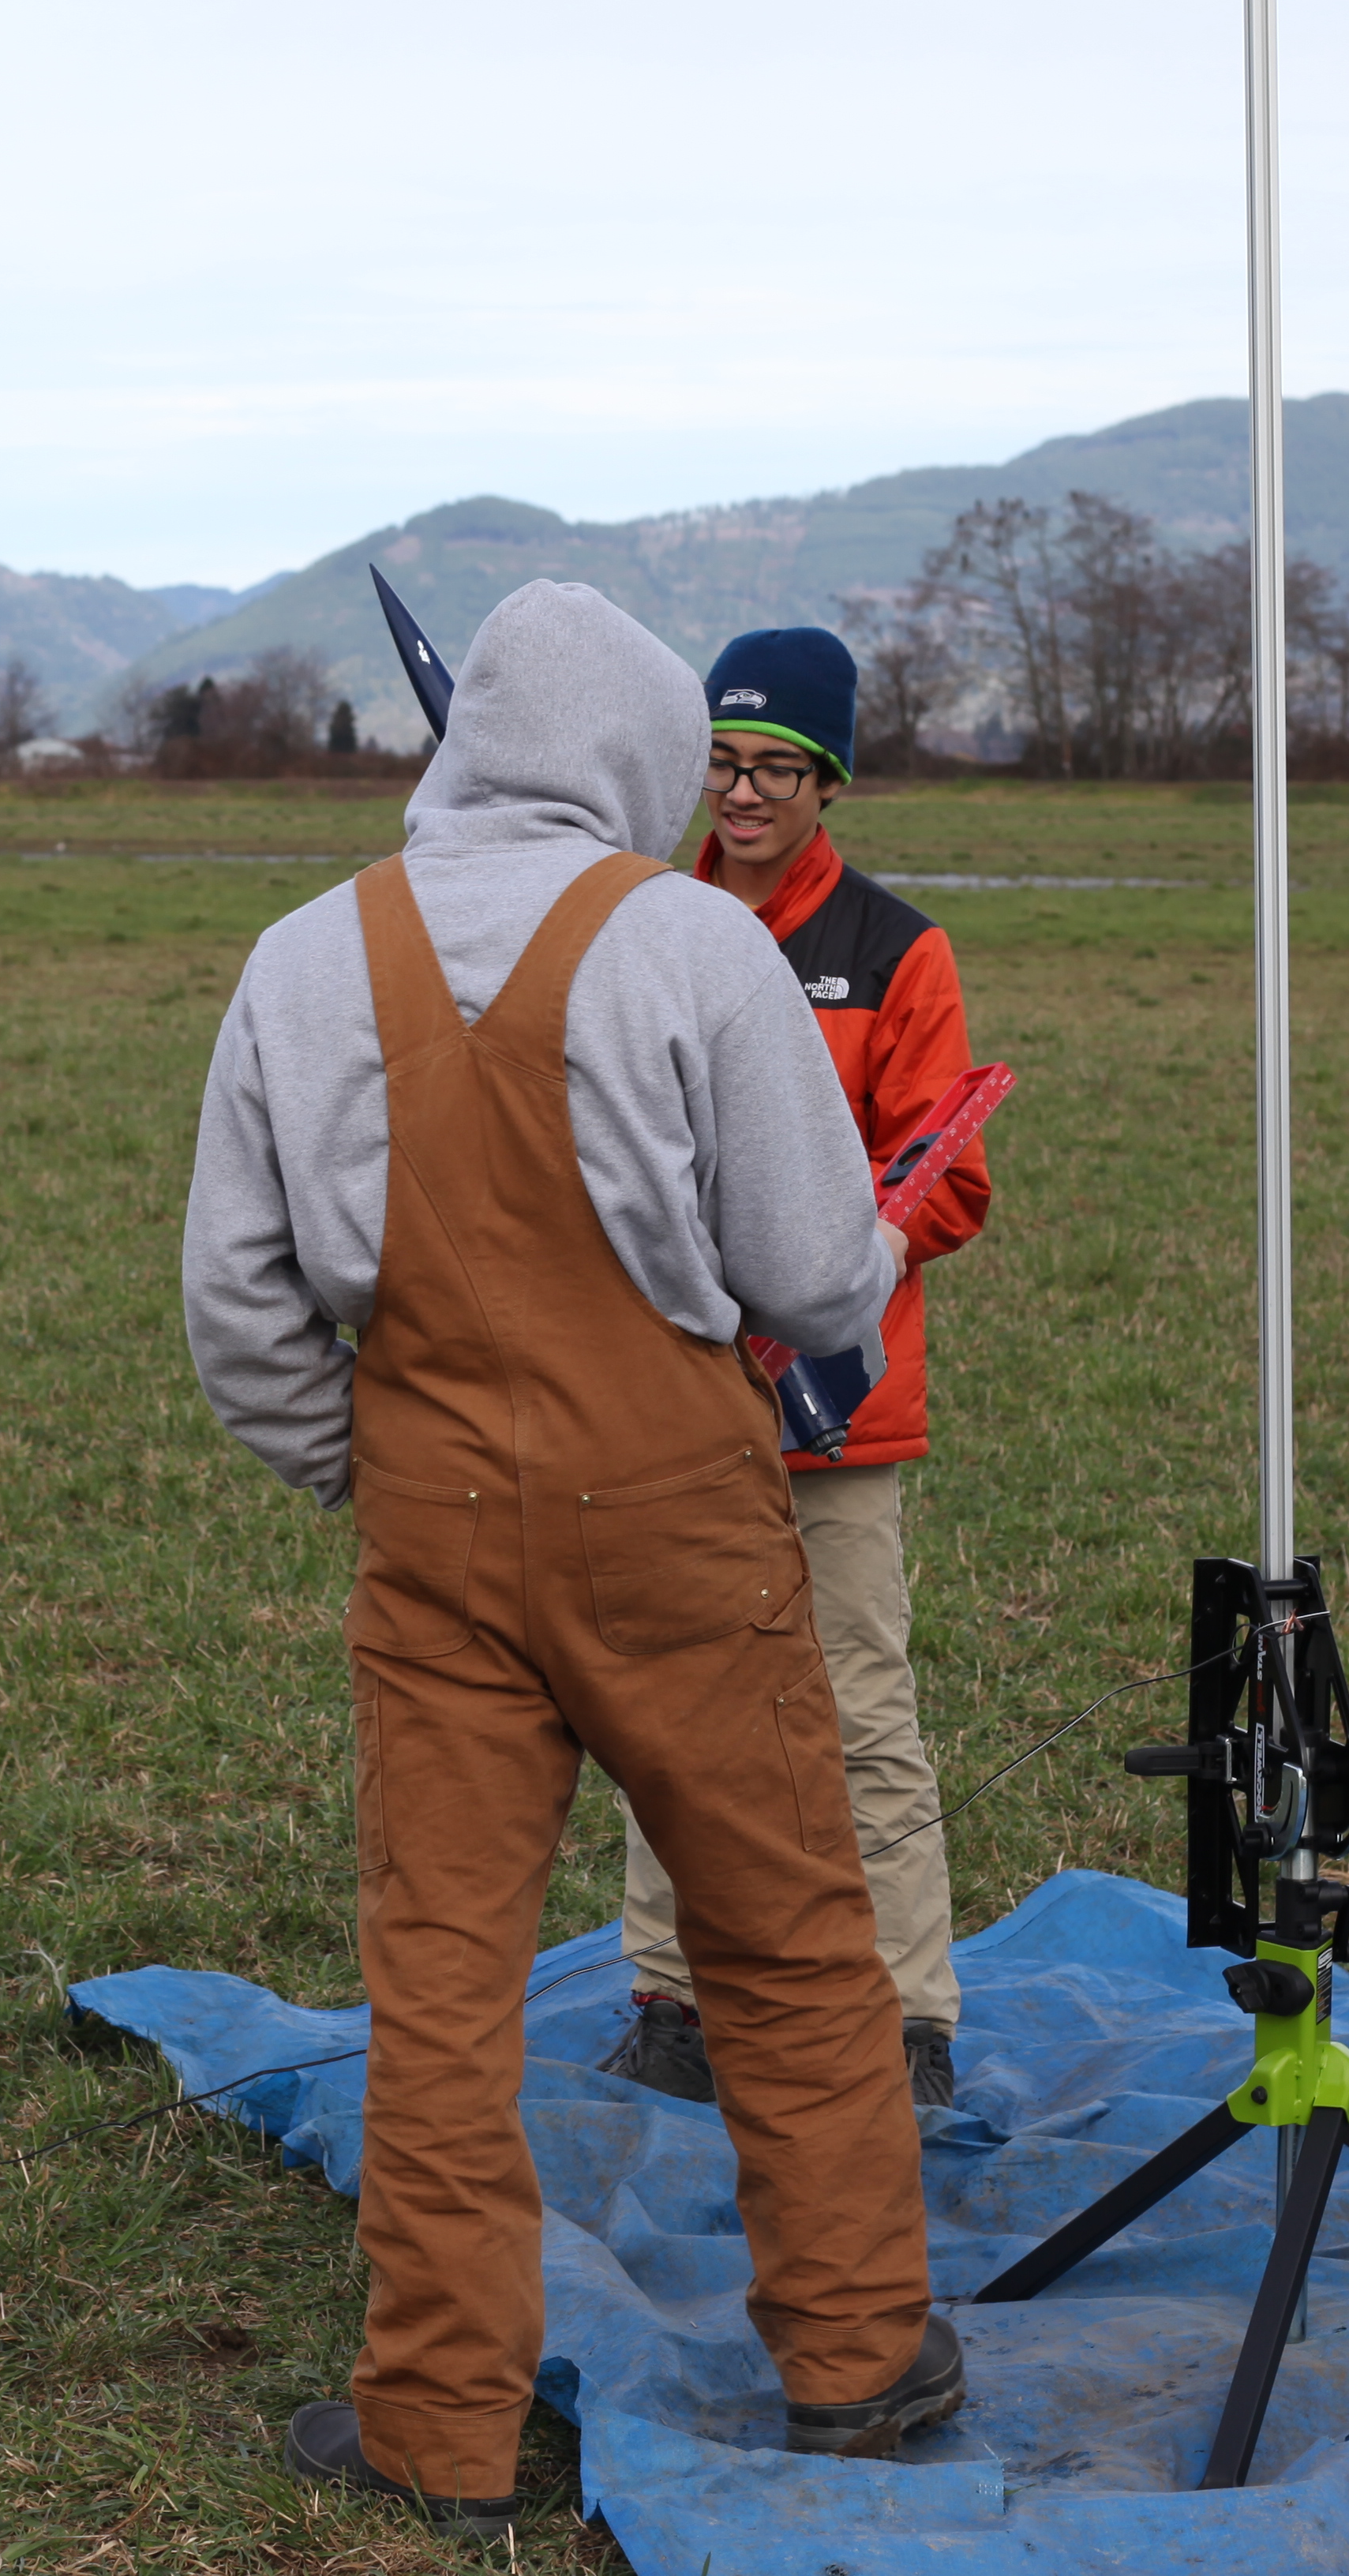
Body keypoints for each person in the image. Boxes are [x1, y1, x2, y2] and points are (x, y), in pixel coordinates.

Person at [184, 579, 964, 2545]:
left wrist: (373, 1474)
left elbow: (238, 1305)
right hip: (681, 1517)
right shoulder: (698, 944)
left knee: (439, 1978)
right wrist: (880, 1239)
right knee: (787, 1941)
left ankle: (435, 2423)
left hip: (430, 1522)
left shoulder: (299, 956)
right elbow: (813, 1275)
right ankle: (856, 2361)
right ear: (637, 753)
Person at [597, 626, 992, 2116]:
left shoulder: (896, 951)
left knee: (858, 1715)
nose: (744, 793)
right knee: (668, 1706)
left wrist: (838, 1270)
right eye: (722, 762)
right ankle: (673, 2000)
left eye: (779, 767)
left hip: (835, 1408)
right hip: (666, 1396)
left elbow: (948, 1174)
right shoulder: (641, 923)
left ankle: (908, 2018)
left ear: (831, 783)